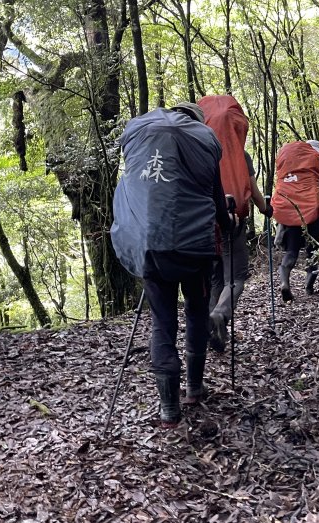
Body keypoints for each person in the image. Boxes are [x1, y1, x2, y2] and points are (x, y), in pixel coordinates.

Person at [111, 102, 233, 427]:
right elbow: (217, 203)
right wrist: (230, 224)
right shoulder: (204, 143)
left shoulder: (141, 139)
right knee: (195, 310)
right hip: (195, 249)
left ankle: (168, 408)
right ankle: (194, 387)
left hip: (150, 247)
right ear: (197, 123)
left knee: (162, 323)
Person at [198, 95, 272, 353]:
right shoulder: (241, 154)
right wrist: (266, 208)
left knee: (215, 278)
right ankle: (221, 315)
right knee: (236, 277)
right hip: (233, 220)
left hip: (205, 223)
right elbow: (251, 189)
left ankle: (213, 332)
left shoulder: (197, 152)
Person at [272, 140, 319, 300]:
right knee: (313, 252)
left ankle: (284, 283)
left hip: (290, 213)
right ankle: (309, 288)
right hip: (312, 214)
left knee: (291, 252)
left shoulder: (287, 169)